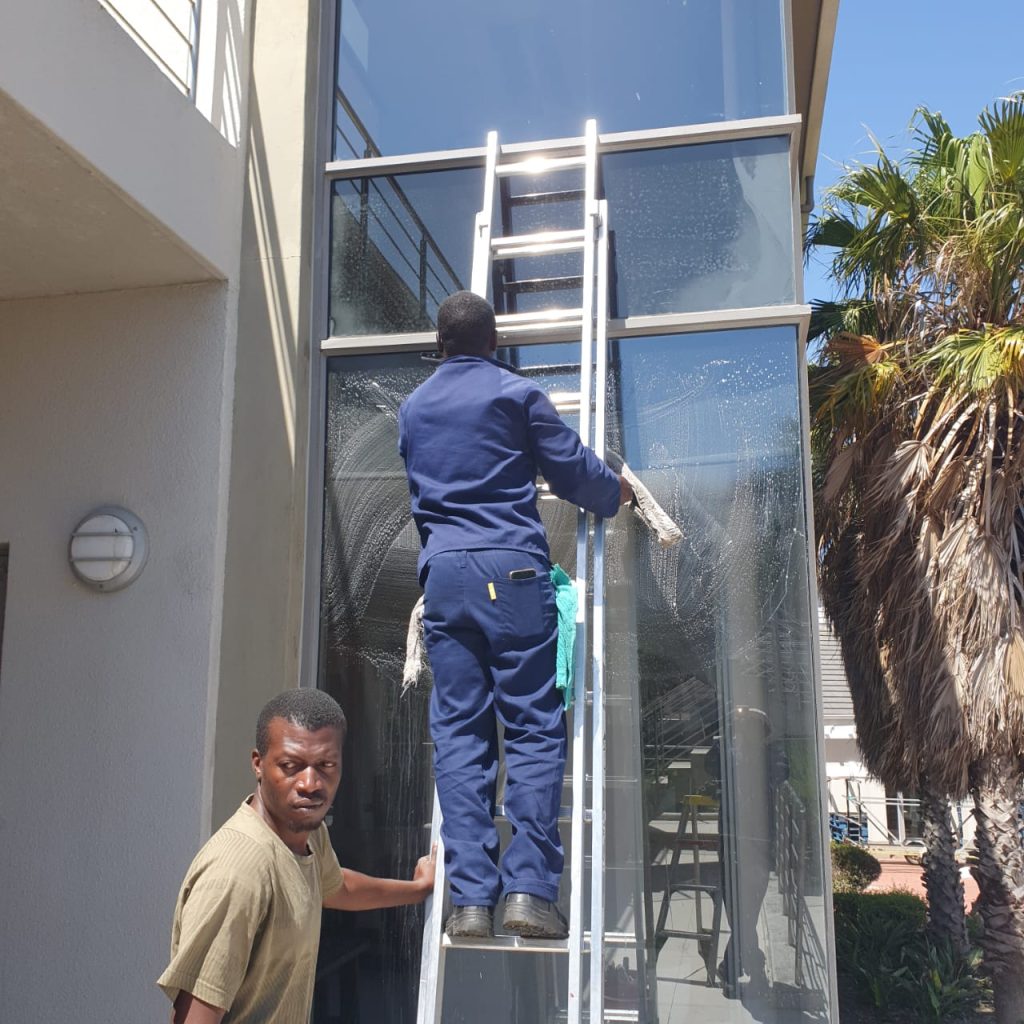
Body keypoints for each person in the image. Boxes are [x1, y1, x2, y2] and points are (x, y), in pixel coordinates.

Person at [398, 291, 632, 940]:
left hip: (444, 578)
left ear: (440, 344)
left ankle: (471, 901)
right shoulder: (517, 394)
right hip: (512, 575)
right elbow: (574, 474)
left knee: (459, 735)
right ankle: (528, 892)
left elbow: (421, 494)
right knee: (530, 727)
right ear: (494, 343)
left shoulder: (414, 408)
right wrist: (615, 490)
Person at [157, 689, 434, 1023]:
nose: (310, 783)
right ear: (258, 764)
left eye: (326, 765)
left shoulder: (307, 831)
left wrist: (418, 889)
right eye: (291, 766)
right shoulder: (238, 873)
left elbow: (336, 887)